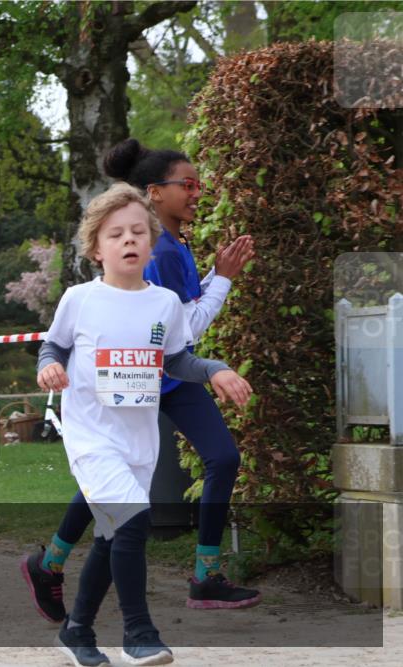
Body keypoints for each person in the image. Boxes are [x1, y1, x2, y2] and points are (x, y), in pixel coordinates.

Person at [22, 139, 260, 624]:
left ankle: (202, 574)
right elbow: (188, 328)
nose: (198, 192)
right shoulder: (157, 253)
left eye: (199, 183)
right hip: (138, 381)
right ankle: (62, 573)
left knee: (222, 457)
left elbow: (177, 332)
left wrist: (211, 355)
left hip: (175, 374)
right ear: (156, 193)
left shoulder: (176, 244)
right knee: (114, 485)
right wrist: (225, 279)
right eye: (188, 185)